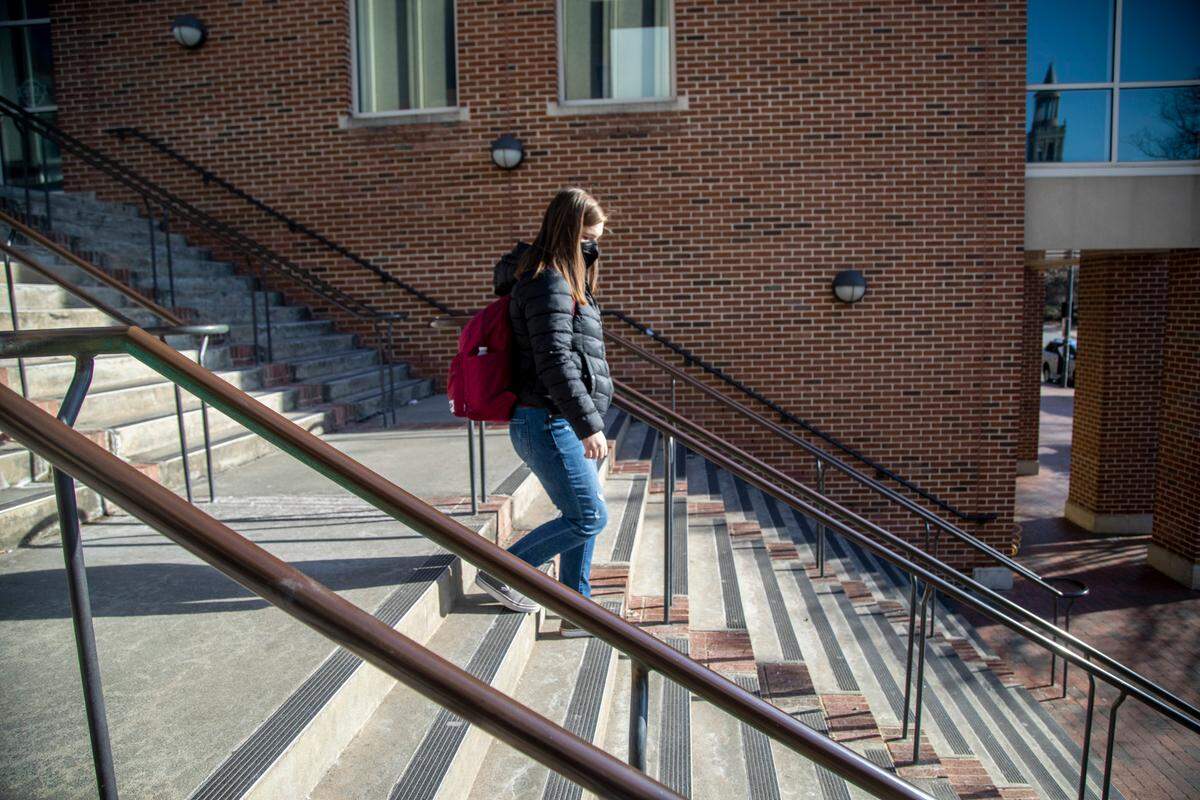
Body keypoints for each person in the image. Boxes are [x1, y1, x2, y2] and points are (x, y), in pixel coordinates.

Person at [475, 187, 613, 637]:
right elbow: (555, 359)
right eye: (587, 239)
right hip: (550, 421)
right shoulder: (547, 280)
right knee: (589, 516)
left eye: (598, 240)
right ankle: (504, 571)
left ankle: (577, 610)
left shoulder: (565, 277)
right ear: (568, 233)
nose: (594, 248)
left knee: (584, 514)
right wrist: (587, 422)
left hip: (562, 419)